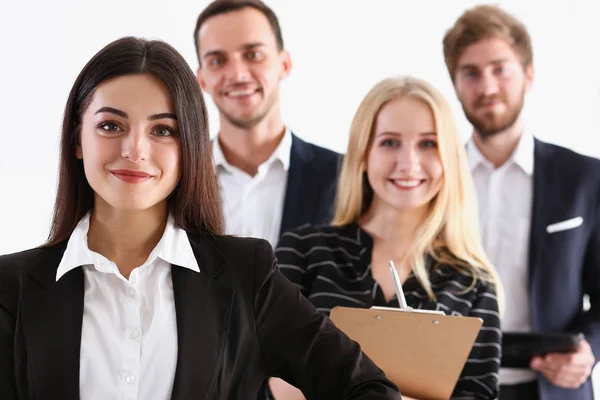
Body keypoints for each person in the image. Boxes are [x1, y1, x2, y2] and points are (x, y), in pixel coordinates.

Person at [0, 37, 401, 400]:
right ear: (77, 141)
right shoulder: (11, 287)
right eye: (110, 125)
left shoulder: (248, 277)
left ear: (190, 146)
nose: (134, 149)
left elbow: (369, 389)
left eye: (162, 130)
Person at [274, 76, 503, 399]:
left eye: (428, 143)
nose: (408, 164)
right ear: (363, 154)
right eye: (389, 142)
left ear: (449, 158)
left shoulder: (473, 283)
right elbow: (269, 377)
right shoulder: (303, 252)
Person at [443, 5, 600, 400]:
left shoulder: (584, 178)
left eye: (501, 69)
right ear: (456, 84)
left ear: (528, 75)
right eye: (471, 73)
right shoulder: (434, 177)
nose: (488, 86)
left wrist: (591, 349)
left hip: (553, 387)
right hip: (449, 386)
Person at [193, 0, 342, 248]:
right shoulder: (177, 178)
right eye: (218, 61)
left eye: (253, 55)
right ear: (202, 79)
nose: (238, 75)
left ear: (284, 65)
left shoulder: (345, 177)